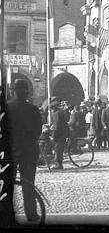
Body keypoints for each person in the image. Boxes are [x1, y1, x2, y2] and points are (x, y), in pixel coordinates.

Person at [7, 79, 42, 223]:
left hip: (10, 151)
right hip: (29, 151)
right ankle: (31, 214)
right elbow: (38, 131)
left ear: (12, 91)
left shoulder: (6, 108)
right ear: (27, 92)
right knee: (28, 183)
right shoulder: (33, 109)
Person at [51, 100, 69, 170]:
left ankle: (58, 165)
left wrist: (54, 136)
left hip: (59, 135)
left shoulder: (57, 114)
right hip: (63, 134)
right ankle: (59, 164)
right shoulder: (62, 112)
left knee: (57, 149)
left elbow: (56, 126)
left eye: (52, 108)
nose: (52, 110)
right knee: (60, 150)